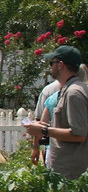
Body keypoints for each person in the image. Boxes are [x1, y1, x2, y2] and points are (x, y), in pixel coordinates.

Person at [27, 45, 88, 180]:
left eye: (51, 63)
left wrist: (43, 130)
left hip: (70, 172)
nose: (50, 67)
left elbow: (79, 135)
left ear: (60, 65)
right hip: (66, 168)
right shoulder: (69, 89)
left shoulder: (73, 93)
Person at [31, 77, 61, 165]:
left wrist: (36, 147)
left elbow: (40, 123)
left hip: (53, 148)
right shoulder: (83, 91)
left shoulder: (50, 94)